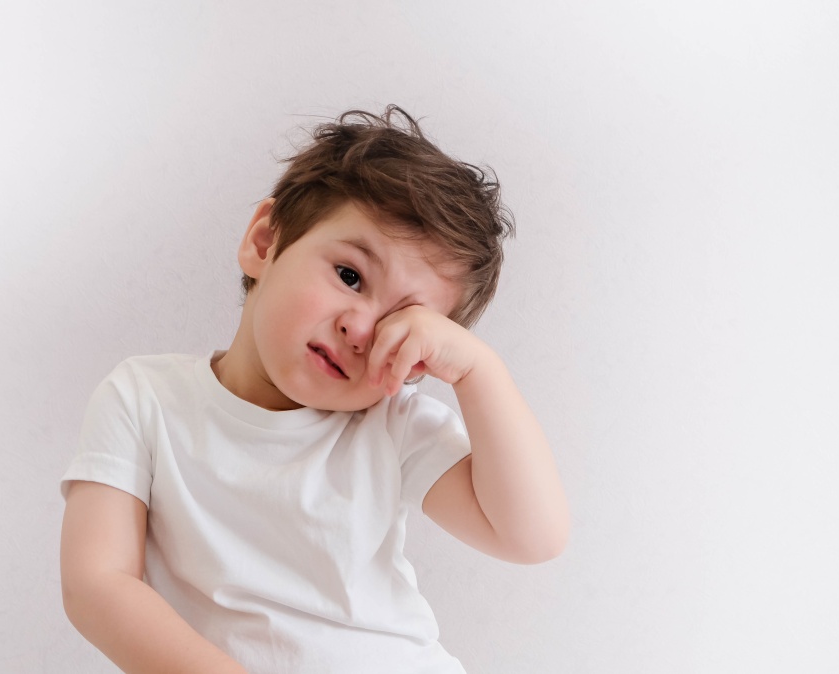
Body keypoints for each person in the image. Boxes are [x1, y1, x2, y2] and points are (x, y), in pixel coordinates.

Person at [59, 105, 570, 674]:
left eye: (400, 322)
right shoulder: (144, 398)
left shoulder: (390, 427)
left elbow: (532, 537)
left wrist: (479, 373)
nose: (359, 328)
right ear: (264, 241)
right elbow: (96, 584)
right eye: (350, 276)